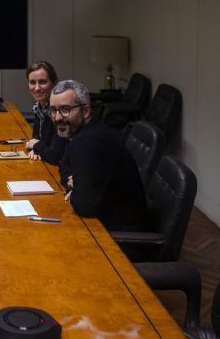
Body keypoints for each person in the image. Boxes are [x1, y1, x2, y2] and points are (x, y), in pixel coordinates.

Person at [51, 79, 148, 231]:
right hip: (104, 223)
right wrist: (74, 183)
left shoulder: (88, 141)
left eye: (65, 109)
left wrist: (75, 189)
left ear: (86, 111)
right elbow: (63, 164)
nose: (57, 117)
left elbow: (83, 206)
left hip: (118, 239)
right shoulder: (86, 131)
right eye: (53, 110)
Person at [24, 61, 68, 164]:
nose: (37, 88)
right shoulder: (39, 107)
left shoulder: (59, 111)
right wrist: (36, 148)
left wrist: (36, 146)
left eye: (42, 82)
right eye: (32, 82)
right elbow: (36, 137)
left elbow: (55, 155)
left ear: (53, 83)